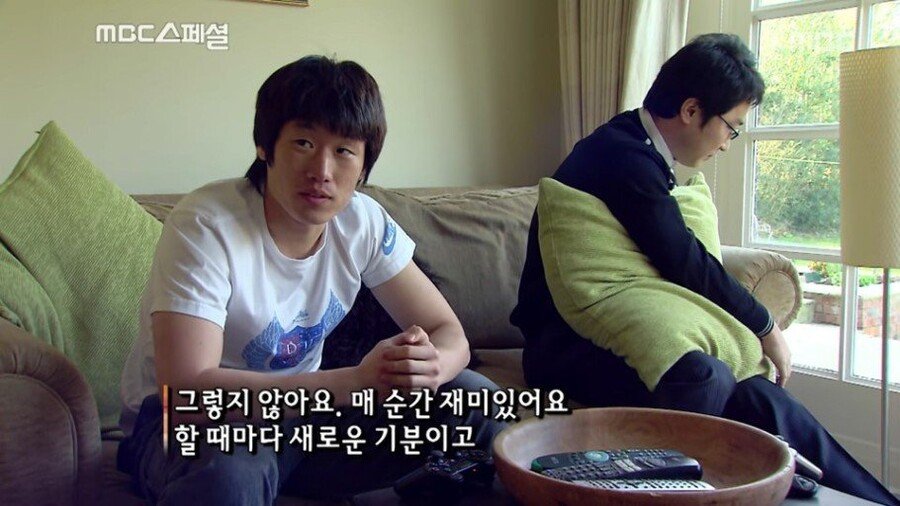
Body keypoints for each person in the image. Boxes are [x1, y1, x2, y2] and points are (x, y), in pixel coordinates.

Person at [511, 33, 898, 506]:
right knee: (706, 376)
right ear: (692, 110)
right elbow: (685, 262)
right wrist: (765, 326)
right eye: (731, 128)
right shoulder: (621, 156)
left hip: (621, 335)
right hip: (563, 349)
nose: (729, 144)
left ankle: (873, 499)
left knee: (759, 395)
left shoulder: (638, 148)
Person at [117, 55, 506, 505]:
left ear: (363, 166)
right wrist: (355, 382)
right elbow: (187, 396)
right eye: (303, 142)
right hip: (188, 426)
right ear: (265, 146)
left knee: (477, 401)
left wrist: (431, 367)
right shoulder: (207, 225)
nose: (322, 170)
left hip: (309, 416)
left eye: (344, 151)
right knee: (231, 474)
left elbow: (448, 332)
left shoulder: (362, 222)